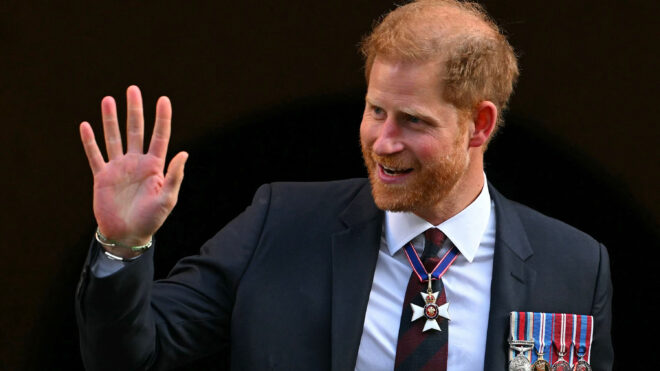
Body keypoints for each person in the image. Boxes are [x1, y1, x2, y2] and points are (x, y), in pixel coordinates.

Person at [76, 1, 613, 370]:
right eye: (375, 110)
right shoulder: (279, 224)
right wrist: (121, 246)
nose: (382, 141)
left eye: (413, 121)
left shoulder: (574, 266)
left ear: (479, 125)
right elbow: (129, 355)